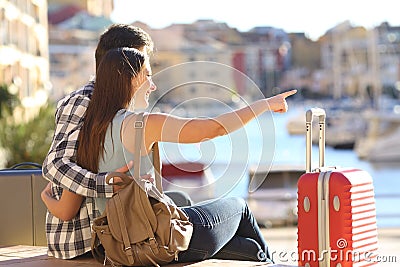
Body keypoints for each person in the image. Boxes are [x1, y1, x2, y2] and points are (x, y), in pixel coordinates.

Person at [42, 46, 297, 263]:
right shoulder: (140, 123)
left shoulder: (88, 131)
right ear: (128, 79)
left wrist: (47, 197)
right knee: (240, 208)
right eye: (147, 76)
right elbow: (212, 128)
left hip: (121, 247)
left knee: (250, 250)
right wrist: (264, 105)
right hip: (158, 239)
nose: (153, 85)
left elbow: (65, 206)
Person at [41, 24, 158, 259]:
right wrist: (103, 184)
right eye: (139, 64)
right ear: (118, 64)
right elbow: (55, 164)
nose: (146, 75)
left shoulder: (116, 106)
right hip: (85, 241)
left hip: (111, 233)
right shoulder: (83, 101)